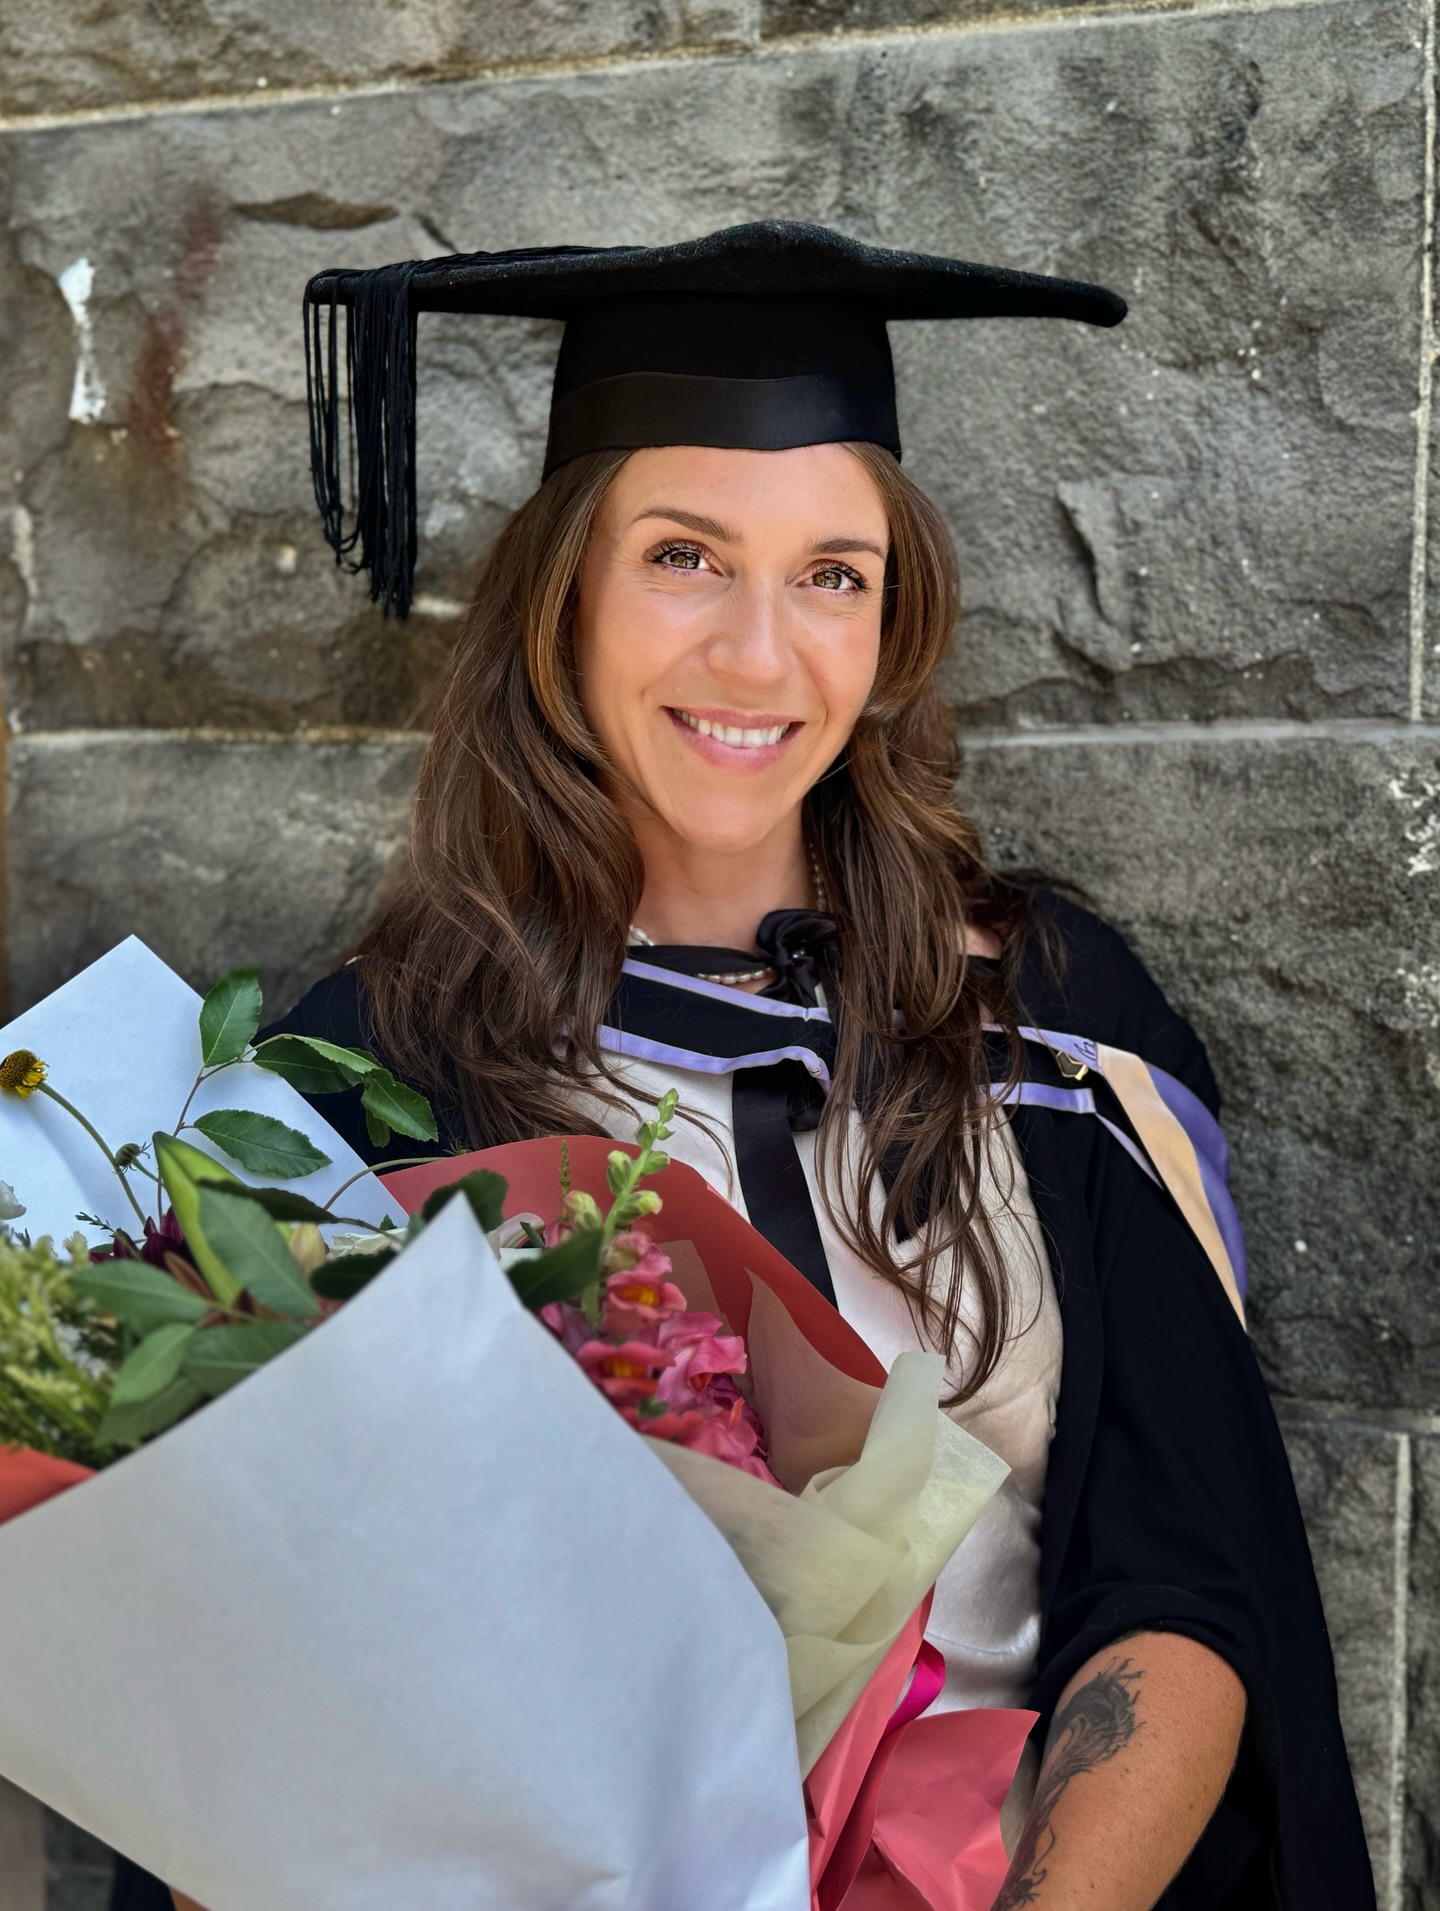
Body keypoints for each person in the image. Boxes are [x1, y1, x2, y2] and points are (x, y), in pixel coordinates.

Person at [114, 222, 1372, 1910]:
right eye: (685, 557)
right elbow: (270, 1695)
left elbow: (1185, 1588)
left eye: (832, 574)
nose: (759, 655)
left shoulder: (1059, 1027)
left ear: (895, 620)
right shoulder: (368, 1072)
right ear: (562, 594)